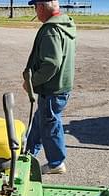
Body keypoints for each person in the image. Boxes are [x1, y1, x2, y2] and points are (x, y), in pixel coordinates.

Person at [24, 0, 76, 174]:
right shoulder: (64, 24)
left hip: (52, 89)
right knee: (42, 120)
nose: (35, 11)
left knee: (50, 123)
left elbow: (51, 64)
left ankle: (56, 163)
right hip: (60, 87)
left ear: (40, 6)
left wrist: (32, 81)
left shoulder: (51, 30)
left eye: (35, 7)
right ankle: (28, 153)